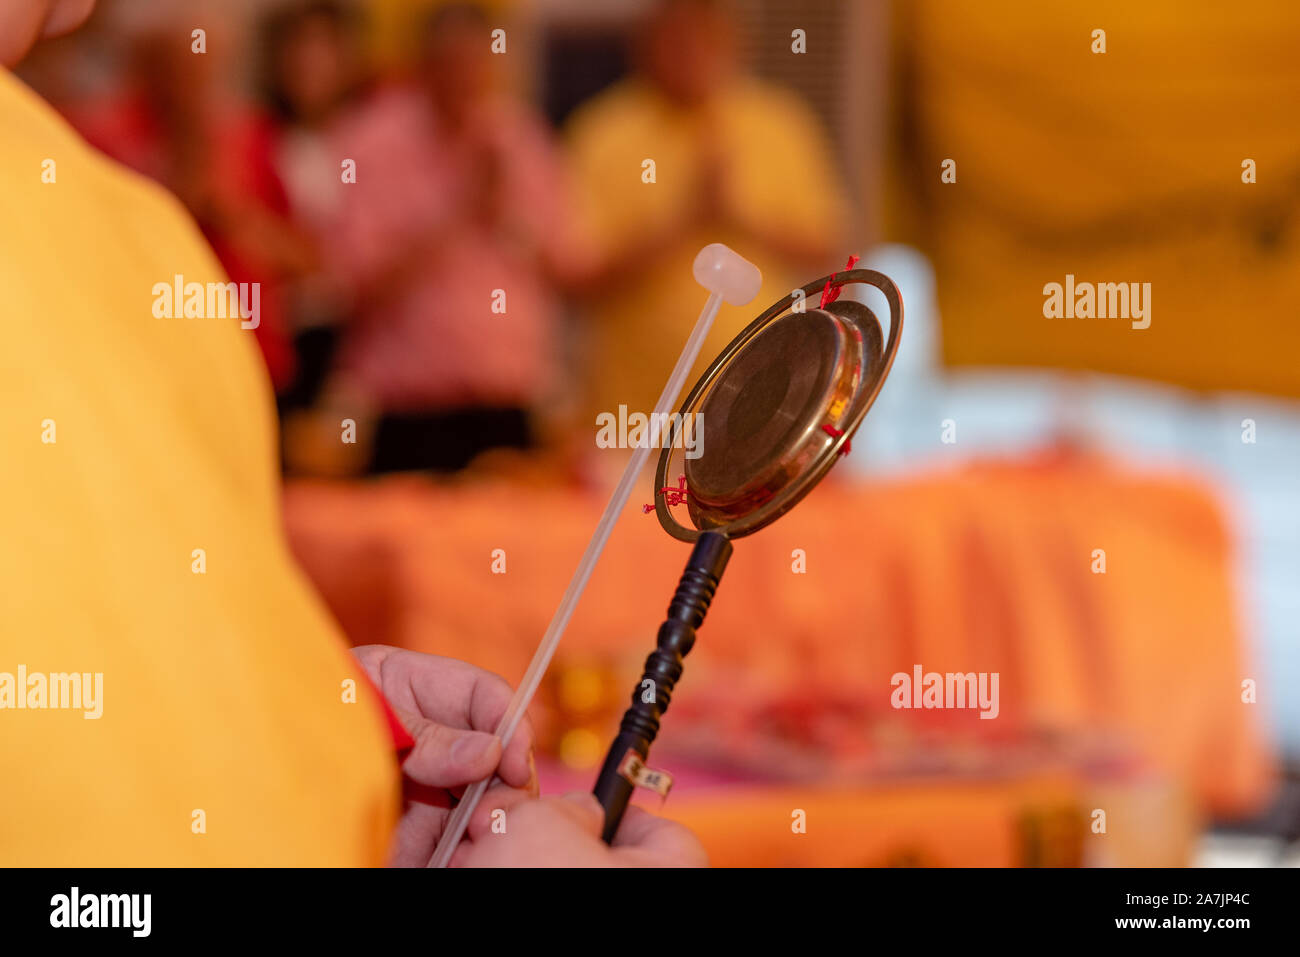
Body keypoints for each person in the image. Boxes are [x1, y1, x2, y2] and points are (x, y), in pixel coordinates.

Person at [0, 0, 703, 868]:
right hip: (408, 417)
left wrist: (336, 701)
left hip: (507, 409)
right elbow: (343, 283)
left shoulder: (121, 227)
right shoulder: (128, 225)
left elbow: (132, 640)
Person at [565, 0, 848, 448]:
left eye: (704, 40)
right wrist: (685, 220)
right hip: (635, 416)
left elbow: (826, 245)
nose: (690, 54)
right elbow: (576, 275)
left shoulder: (778, 123)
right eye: (675, 41)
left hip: (761, 405)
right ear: (644, 48)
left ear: (733, 45)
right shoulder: (603, 133)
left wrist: (738, 216)